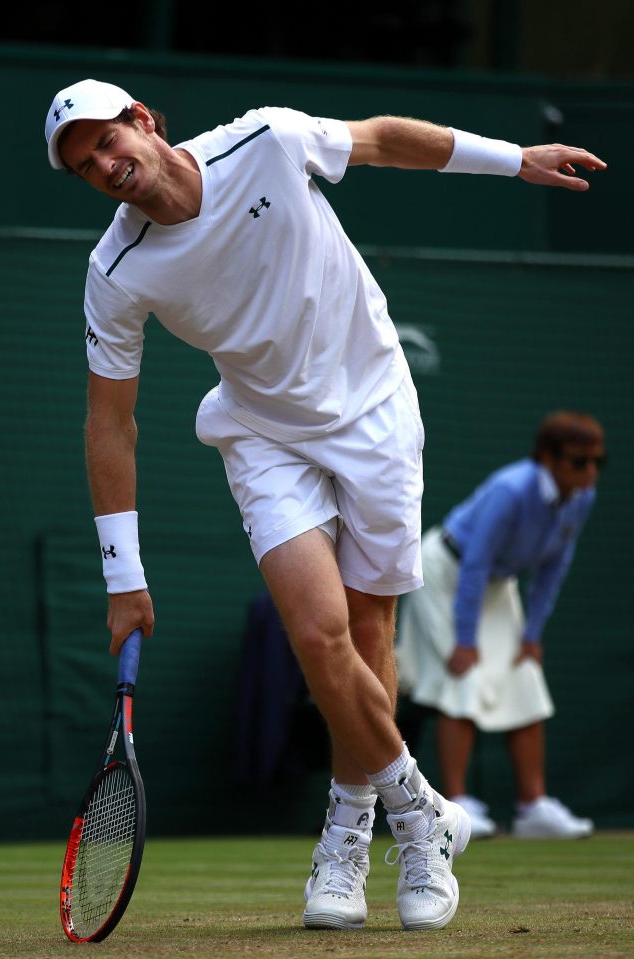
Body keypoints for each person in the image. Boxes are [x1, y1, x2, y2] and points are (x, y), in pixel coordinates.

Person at [44, 78, 606, 931]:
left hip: (376, 407)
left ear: (145, 122)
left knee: (368, 634)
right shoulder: (114, 271)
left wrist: (513, 160)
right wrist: (124, 576)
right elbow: (108, 422)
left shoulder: (265, 139)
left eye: (108, 141)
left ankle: (349, 826)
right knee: (318, 632)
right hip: (264, 435)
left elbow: (383, 136)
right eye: (86, 167)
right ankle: (422, 816)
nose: (106, 166)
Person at [396, 411, 605, 840]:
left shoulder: (582, 497)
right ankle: (456, 808)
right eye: (578, 462)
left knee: (523, 675)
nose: (589, 472)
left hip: (495, 584)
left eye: (596, 463)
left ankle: (532, 806)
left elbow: (554, 568)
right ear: (548, 458)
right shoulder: (512, 489)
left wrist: (532, 636)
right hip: (447, 573)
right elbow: (475, 563)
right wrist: (466, 640)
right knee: (463, 677)